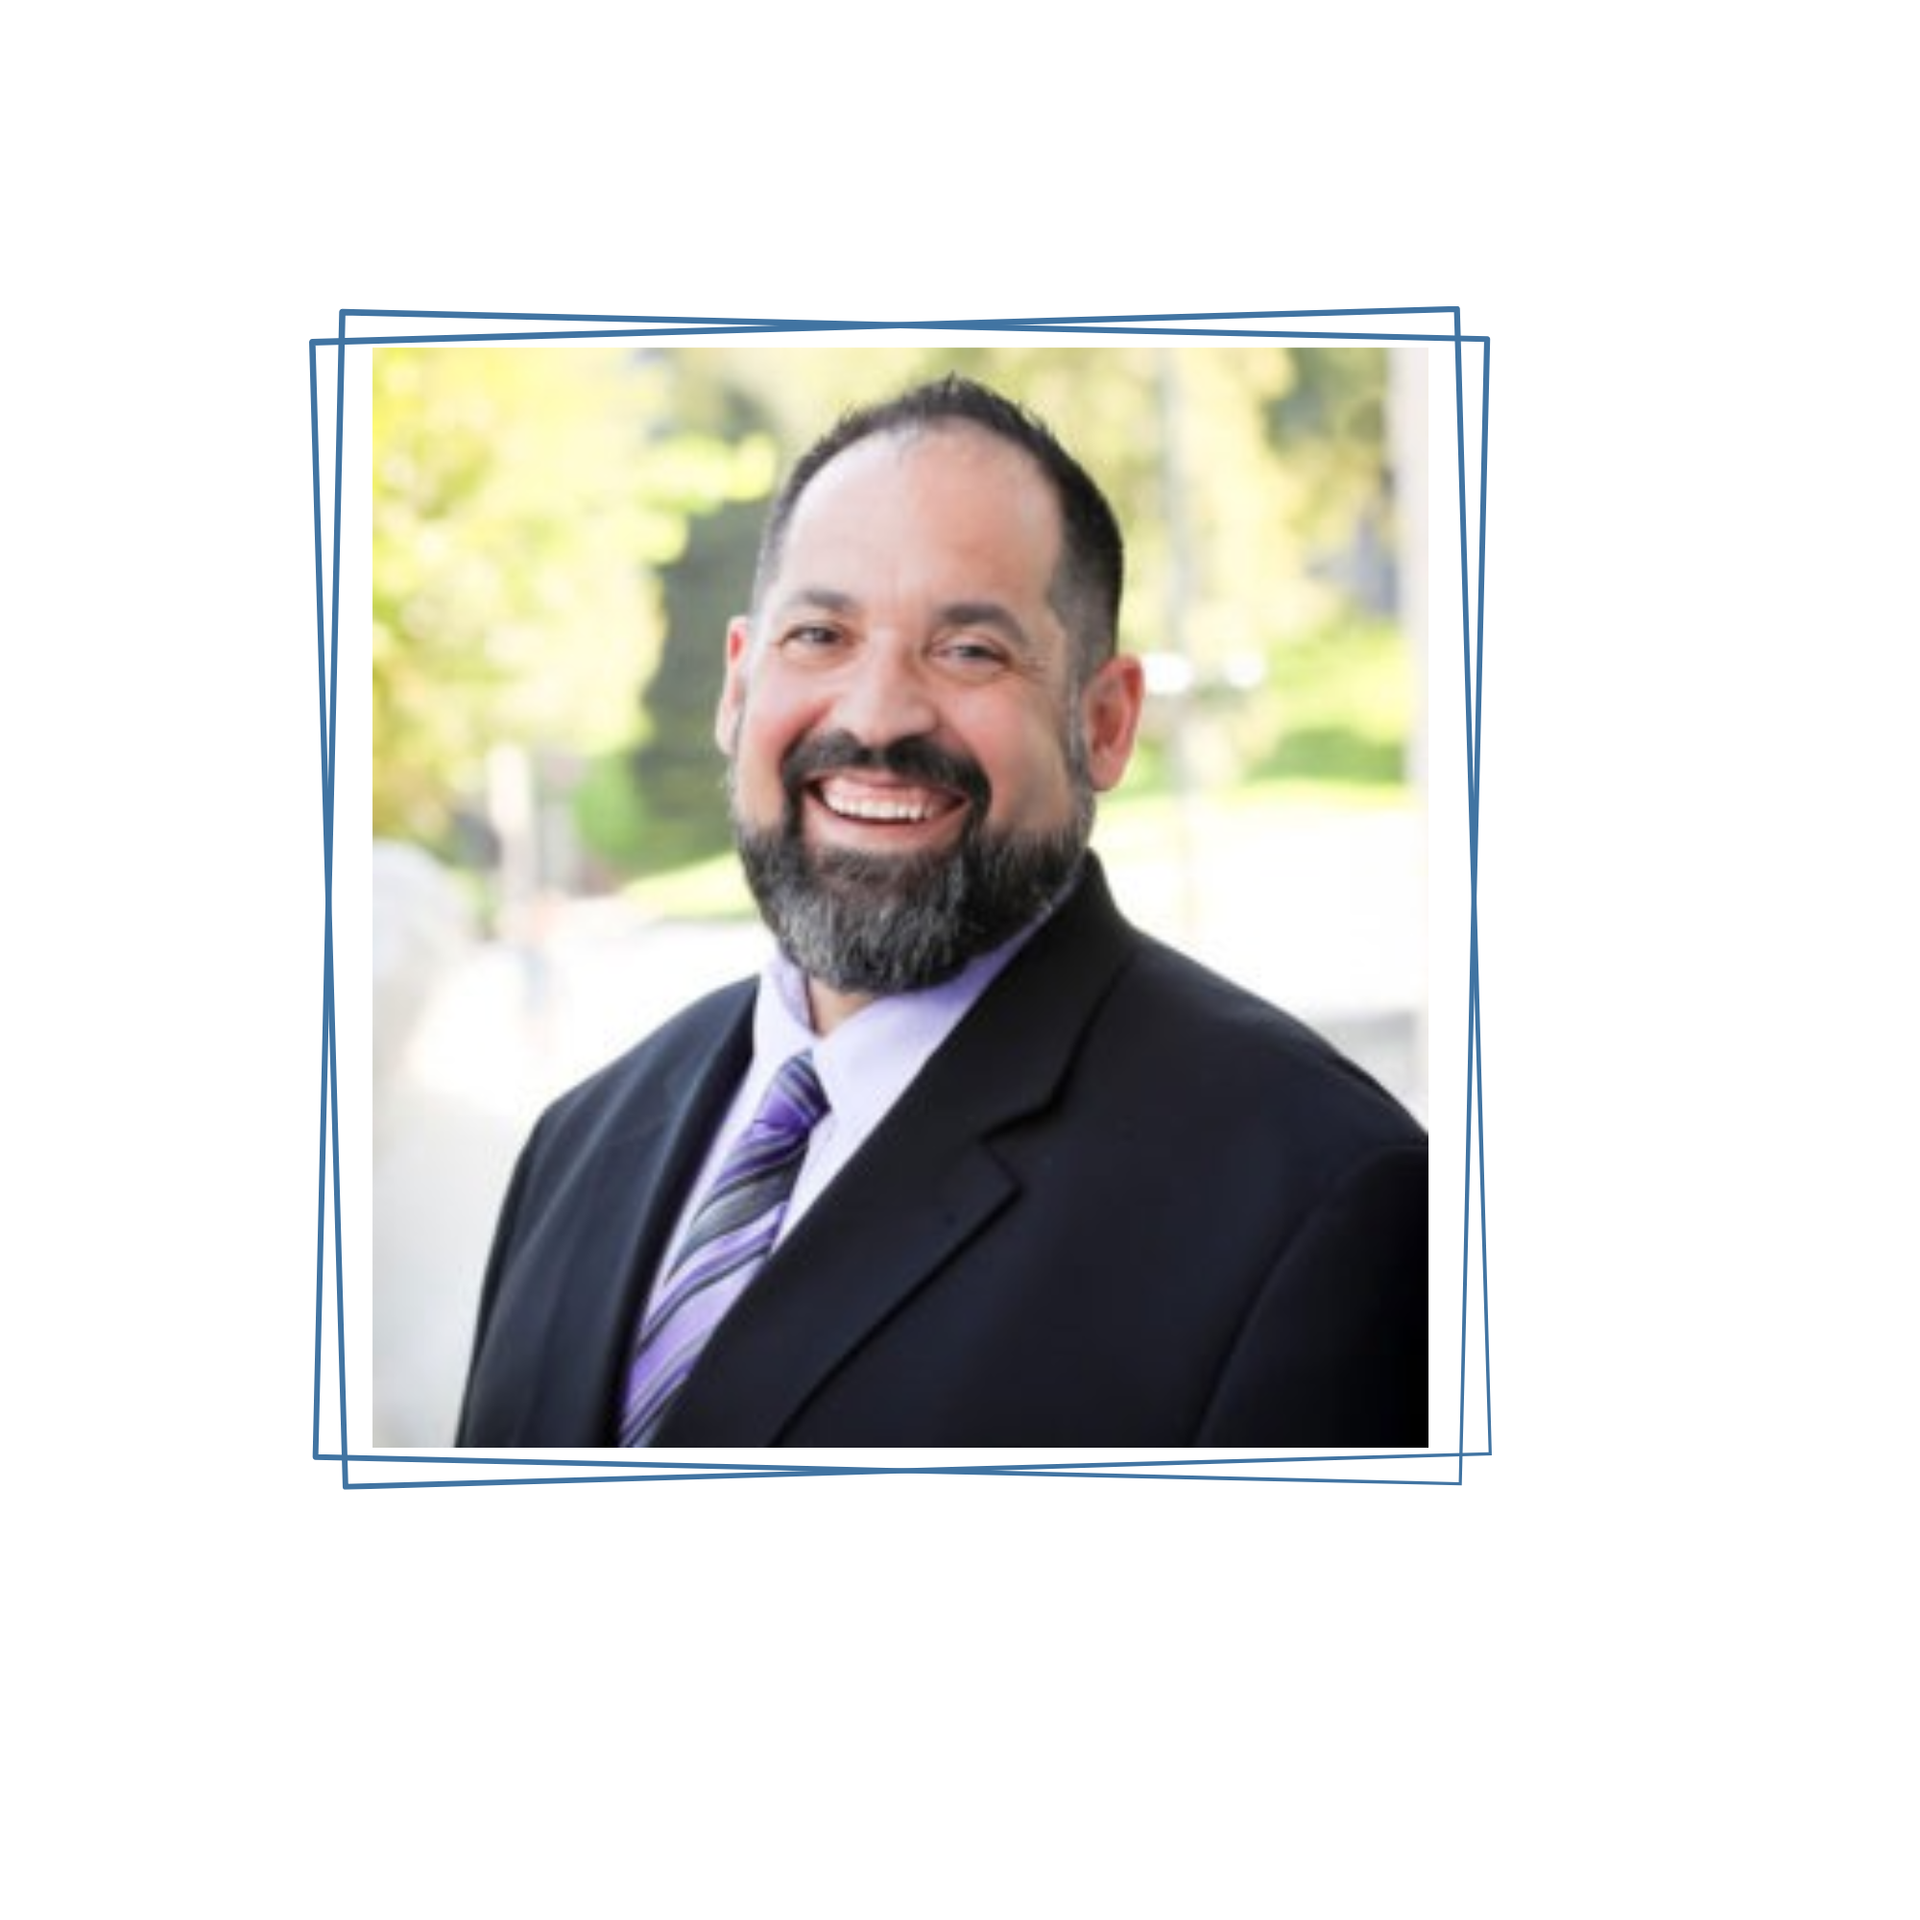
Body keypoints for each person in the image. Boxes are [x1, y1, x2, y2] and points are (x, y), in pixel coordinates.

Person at [456, 375, 1427, 1449]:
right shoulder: (579, 1144)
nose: (877, 716)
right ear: (738, 686)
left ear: (1105, 723)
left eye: (969, 650)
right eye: (819, 635)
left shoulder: (1314, 1199)